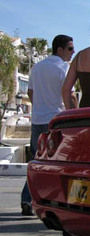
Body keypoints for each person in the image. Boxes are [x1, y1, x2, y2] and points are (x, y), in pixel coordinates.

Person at [22, 34, 77, 216]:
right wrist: (74, 114)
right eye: (70, 48)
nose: (72, 52)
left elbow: (30, 92)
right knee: (60, 163)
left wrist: (40, 106)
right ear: (59, 49)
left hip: (37, 120)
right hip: (56, 120)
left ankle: (27, 199)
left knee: (36, 161)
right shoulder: (63, 69)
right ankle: (58, 202)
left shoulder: (37, 68)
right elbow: (71, 95)